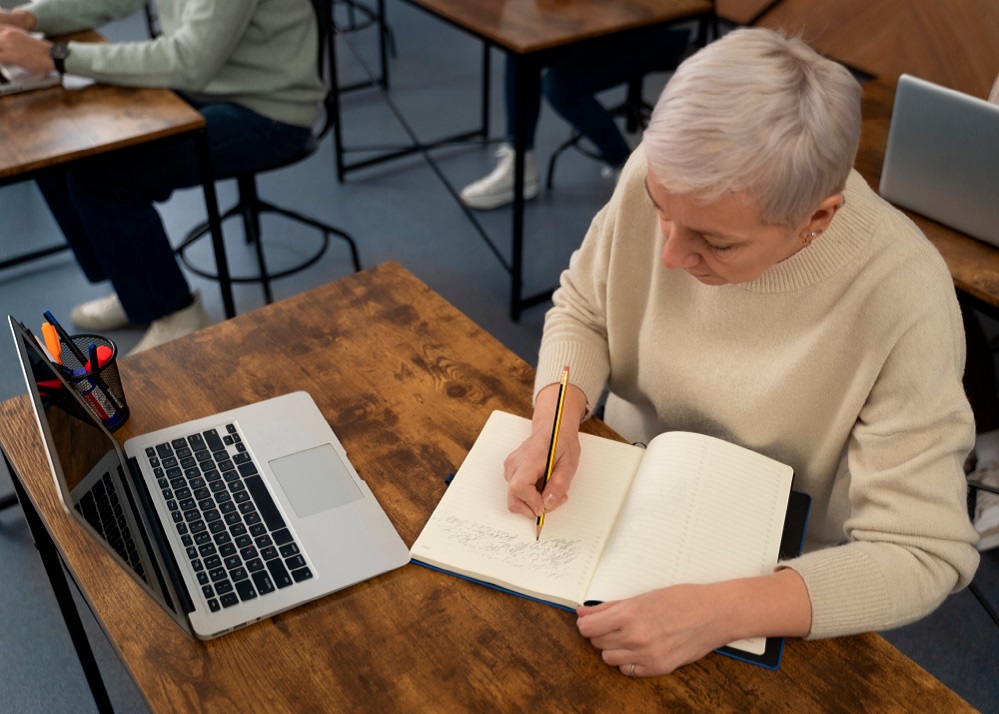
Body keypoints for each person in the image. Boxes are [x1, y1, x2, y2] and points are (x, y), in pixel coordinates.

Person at [502, 28, 980, 676]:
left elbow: (921, 553)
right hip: (623, 485)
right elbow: (585, 308)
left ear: (817, 218)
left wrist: (723, 611)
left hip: (777, 563)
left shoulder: (903, 294)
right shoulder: (664, 177)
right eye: (658, 211)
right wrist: (556, 415)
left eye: (713, 243)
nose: (668, 255)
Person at [0, 0, 326, 353]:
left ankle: (178, 313)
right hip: (205, 88)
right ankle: (136, 287)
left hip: (269, 112)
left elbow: (188, 62)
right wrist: (28, 17)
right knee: (63, 153)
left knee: (105, 178)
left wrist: (57, 54)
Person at [459, 25, 692, 210]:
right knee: (522, 47)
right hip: (593, 20)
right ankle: (519, 166)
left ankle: (629, 171)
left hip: (659, 24)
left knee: (560, 85)